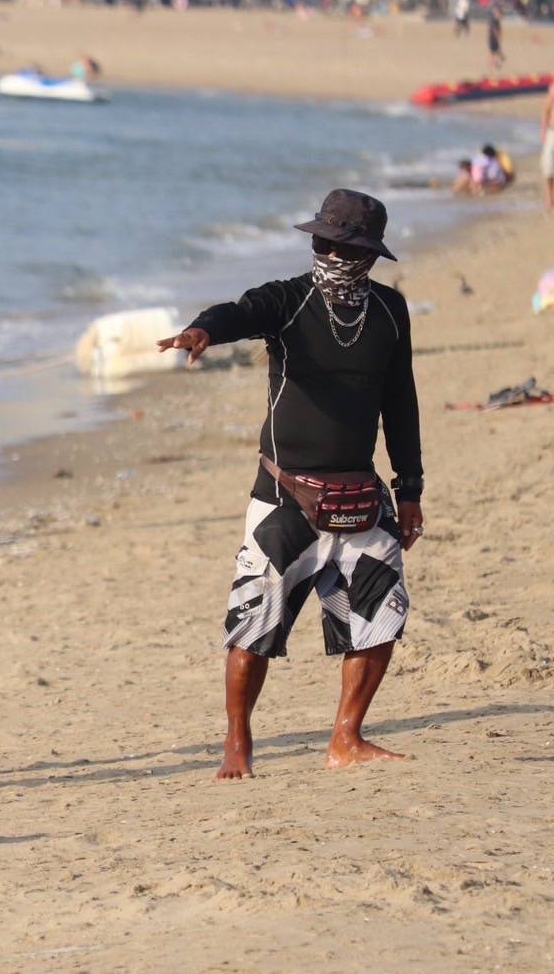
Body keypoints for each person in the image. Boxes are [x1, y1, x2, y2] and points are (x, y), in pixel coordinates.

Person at [156, 189, 424, 780]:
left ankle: (347, 738)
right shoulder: (288, 301)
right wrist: (203, 330)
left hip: (361, 497)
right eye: (322, 241)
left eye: (341, 246)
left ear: (368, 255)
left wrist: (410, 490)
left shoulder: (388, 313)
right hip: (283, 498)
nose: (326, 252)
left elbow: (400, 403)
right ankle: (238, 743)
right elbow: (238, 310)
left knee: (381, 620)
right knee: (253, 627)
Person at [541, 83, 554, 210]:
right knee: (549, 165)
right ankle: (550, 197)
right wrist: (543, 130)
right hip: (552, 132)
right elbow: (546, 109)